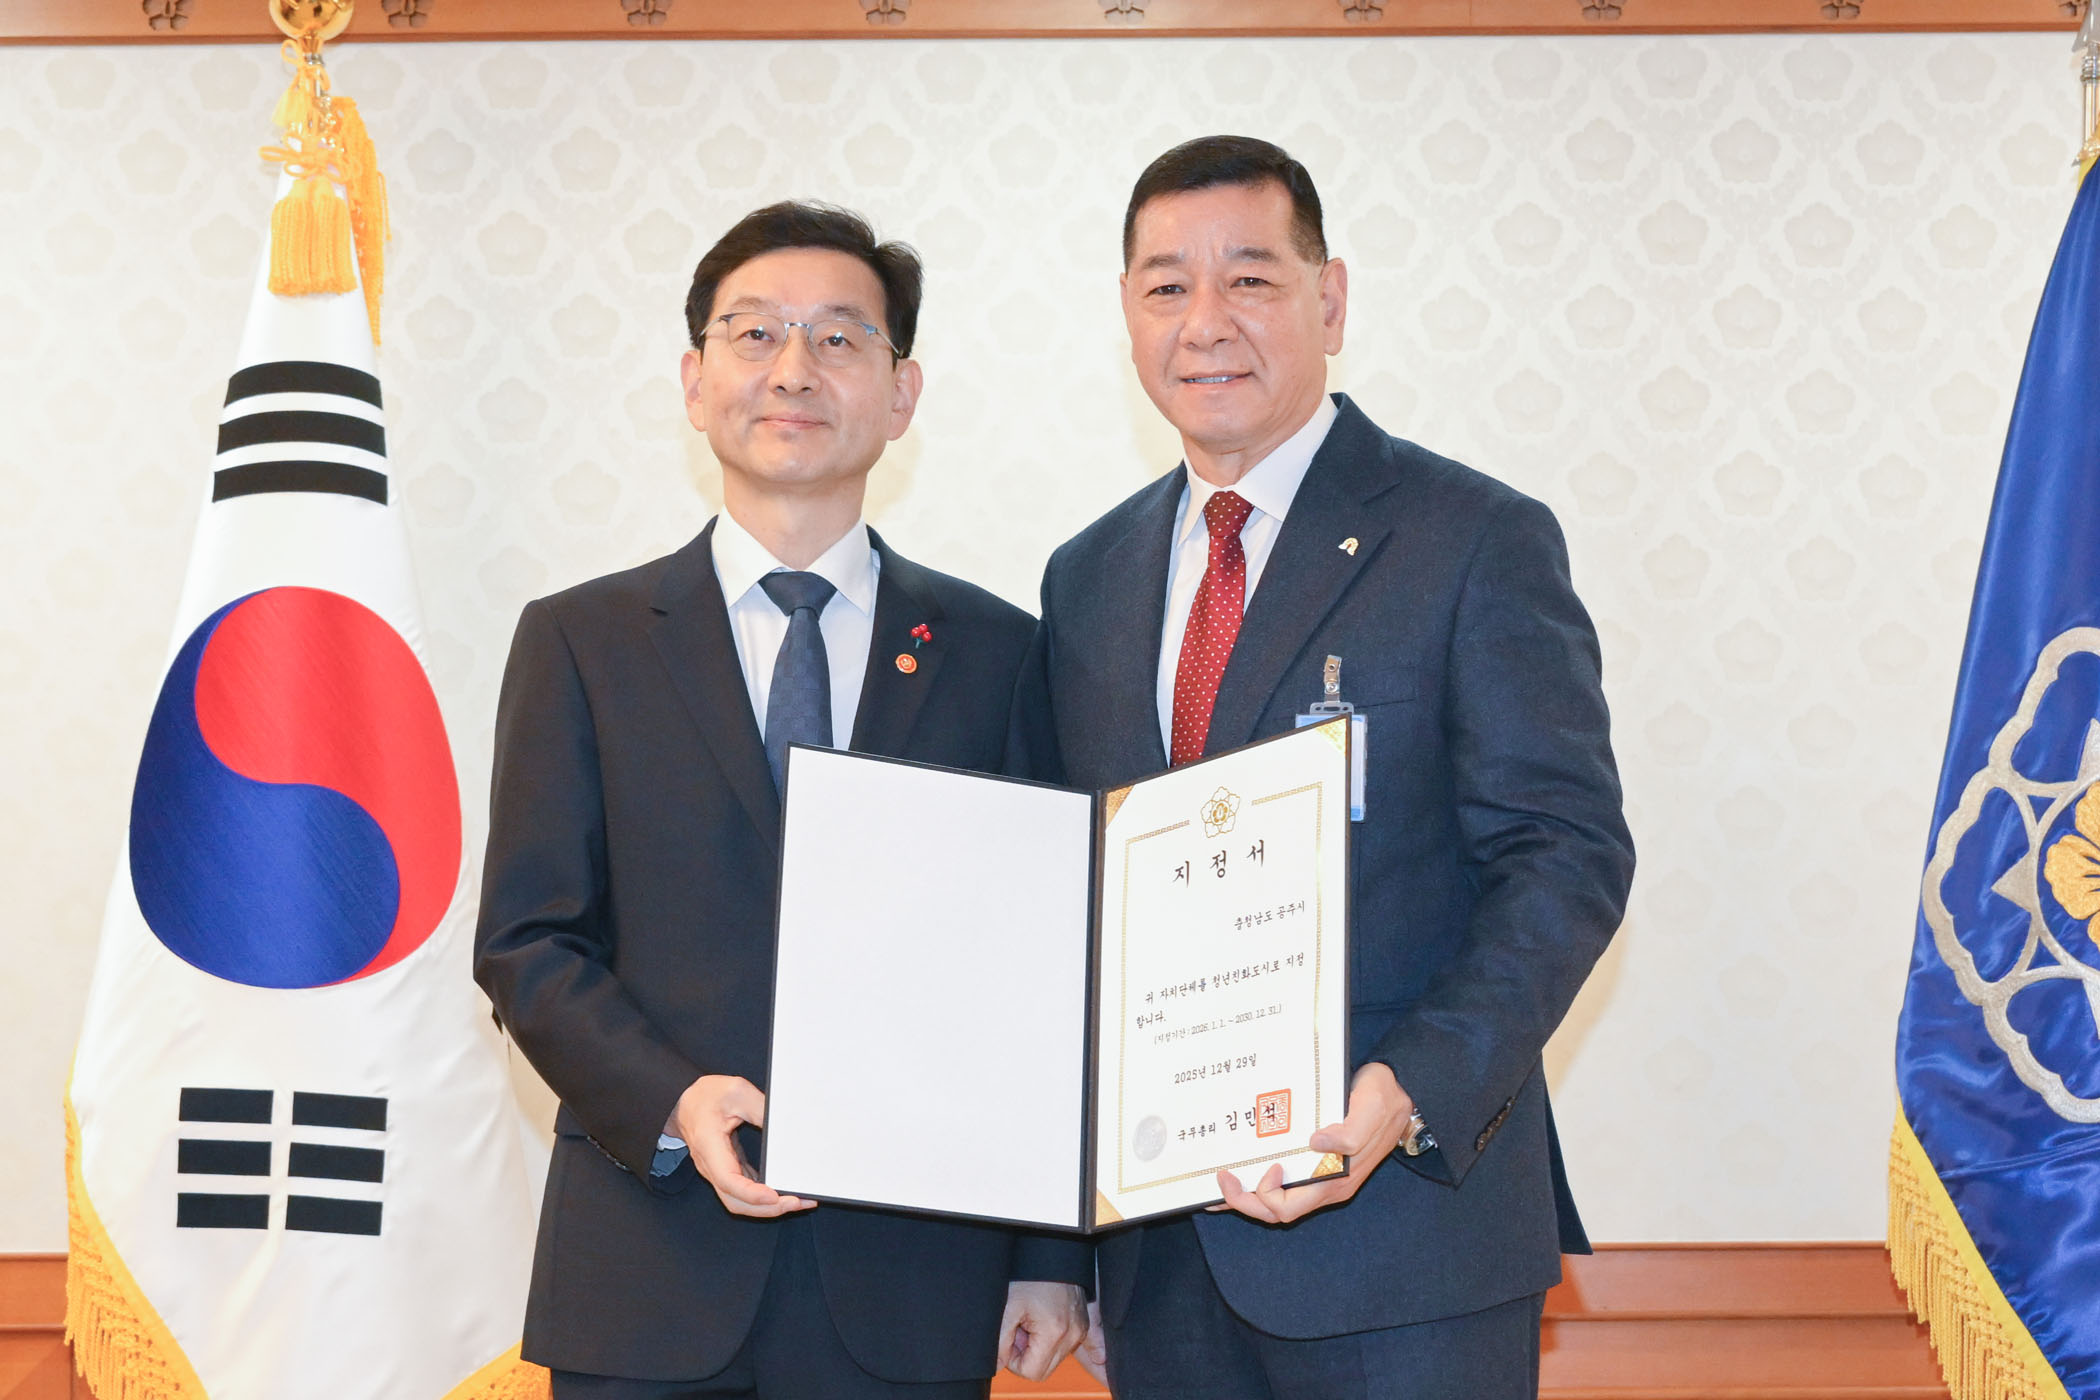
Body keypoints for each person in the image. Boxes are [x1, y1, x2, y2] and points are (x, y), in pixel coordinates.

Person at [1019, 136, 1635, 1399]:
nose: (1206, 321)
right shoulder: (1085, 579)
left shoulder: (1475, 538)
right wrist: (1059, 1249)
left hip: (1406, 1245)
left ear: (1331, 298)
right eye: (1166, 286)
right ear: (1128, 317)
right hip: (1161, 1264)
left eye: (1249, 278)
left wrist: (1406, 1092)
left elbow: (1564, 858)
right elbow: (1070, 917)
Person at [475, 201, 1089, 1400]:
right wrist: (669, 1098)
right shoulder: (583, 641)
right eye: (754, 333)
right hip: (646, 1270)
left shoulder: (1000, 651)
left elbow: (1039, 966)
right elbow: (527, 941)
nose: (795, 369)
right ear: (694, 381)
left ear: (901, 394)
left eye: (840, 338)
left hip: (913, 1279)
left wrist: (1050, 1254)